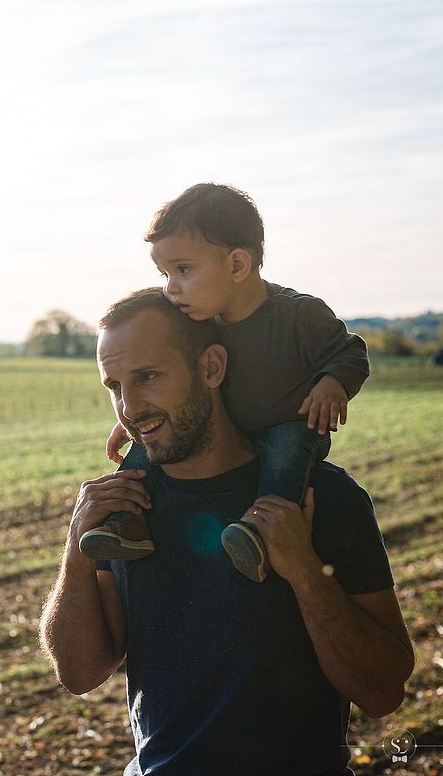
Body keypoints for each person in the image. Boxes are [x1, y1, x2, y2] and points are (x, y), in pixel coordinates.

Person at [39, 288, 414, 776]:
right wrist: (75, 553)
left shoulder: (322, 498)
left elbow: (383, 691)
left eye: (148, 377)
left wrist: (303, 570)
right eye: (114, 386)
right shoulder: (124, 512)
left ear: (212, 368)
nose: (129, 408)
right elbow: (80, 673)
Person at [79, 183, 370, 584]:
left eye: (183, 270)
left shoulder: (298, 314)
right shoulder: (202, 320)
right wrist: (132, 415)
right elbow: (172, 384)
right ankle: (125, 524)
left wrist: (332, 383)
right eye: (164, 274)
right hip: (233, 424)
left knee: (287, 450)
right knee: (147, 448)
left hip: (289, 423)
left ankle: (261, 534)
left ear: (237, 266)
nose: (171, 287)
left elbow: (350, 350)